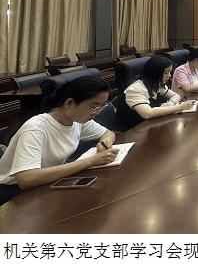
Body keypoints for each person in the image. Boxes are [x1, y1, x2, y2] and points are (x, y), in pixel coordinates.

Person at [0, 76, 118, 205]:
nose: (98, 112)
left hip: (47, 182)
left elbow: (107, 133)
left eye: (101, 106)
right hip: (13, 194)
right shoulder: (35, 129)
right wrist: (90, 161)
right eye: (93, 107)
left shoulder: (77, 120)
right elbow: (26, 179)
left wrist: (105, 143)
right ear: (69, 103)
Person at [117, 56, 195, 130]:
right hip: (130, 131)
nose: (169, 76)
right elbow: (147, 113)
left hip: (147, 126)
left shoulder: (156, 84)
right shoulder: (136, 90)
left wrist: (170, 103)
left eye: (169, 72)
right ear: (155, 73)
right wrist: (179, 107)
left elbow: (176, 95)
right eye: (166, 73)